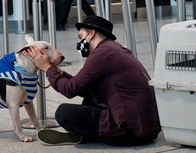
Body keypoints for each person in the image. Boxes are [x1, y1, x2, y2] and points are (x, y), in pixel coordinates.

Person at [25, 15, 161, 146]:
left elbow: (69, 89)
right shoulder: (113, 49)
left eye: (81, 37)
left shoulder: (102, 54)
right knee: (89, 101)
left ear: (91, 34)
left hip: (129, 132)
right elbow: (82, 88)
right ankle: (85, 133)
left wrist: (47, 67)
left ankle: (84, 134)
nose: (79, 42)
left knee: (63, 112)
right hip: (145, 129)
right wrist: (57, 71)